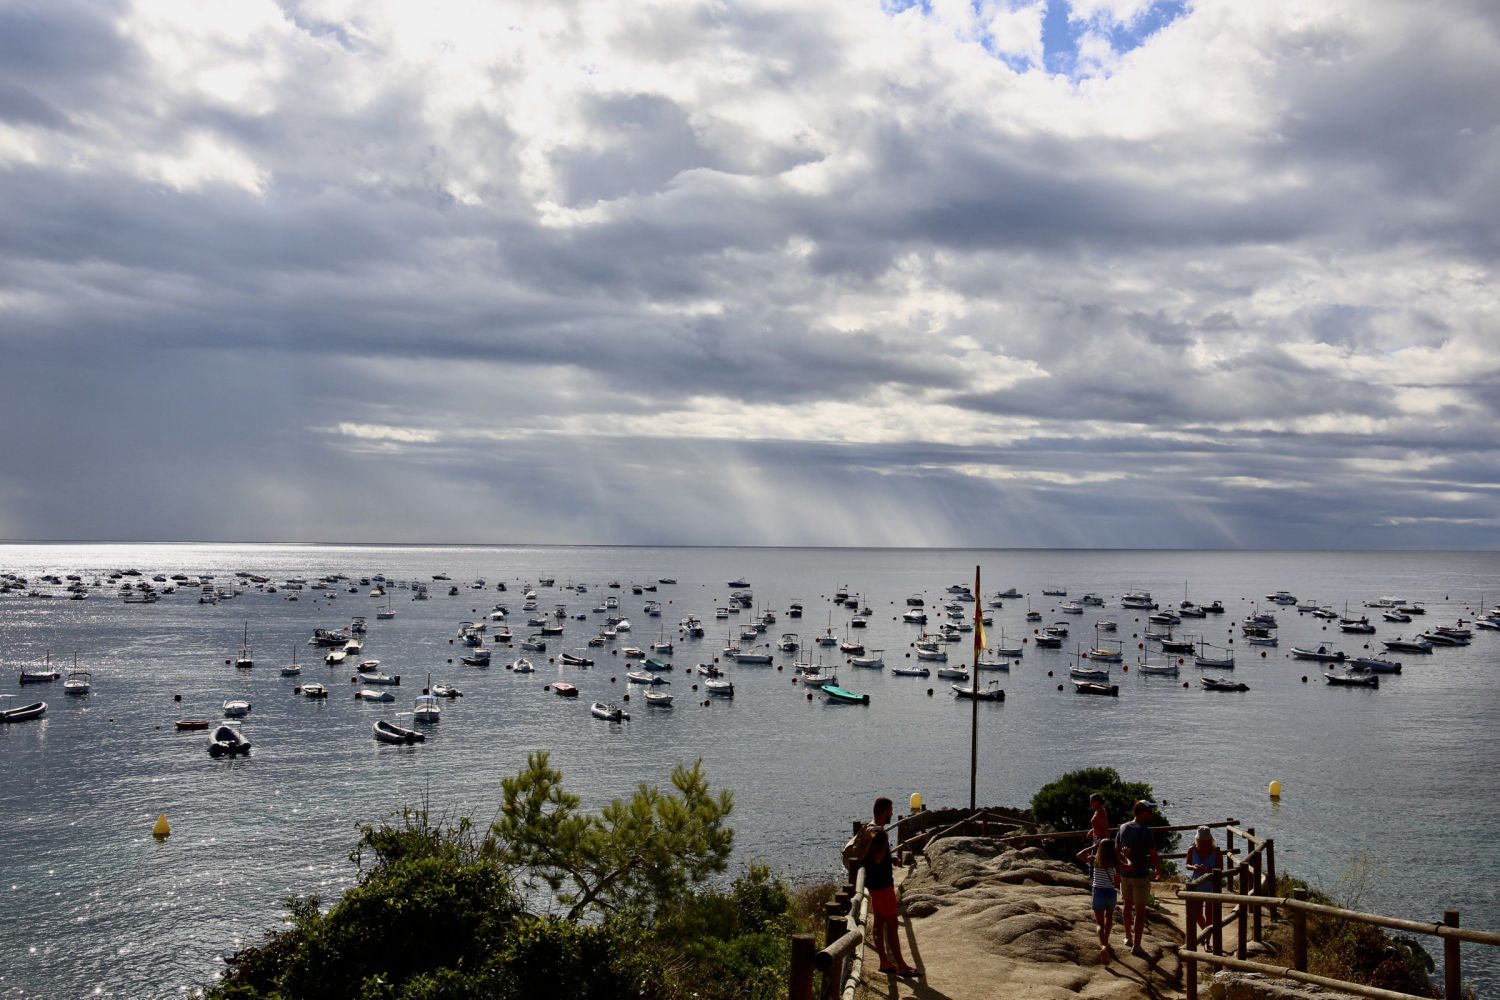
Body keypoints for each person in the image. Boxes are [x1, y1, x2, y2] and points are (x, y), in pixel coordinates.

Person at [863, 797, 917, 978]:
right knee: (892, 925)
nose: (891, 814)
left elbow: (875, 857)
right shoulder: (878, 833)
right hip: (882, 886)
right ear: (885, 811)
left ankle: (884, 962)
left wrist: (890, 858)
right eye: (890, 811)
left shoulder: (870, 828)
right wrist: (885, 839)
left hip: (873, 884)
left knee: (879, 923)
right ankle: (901, 965)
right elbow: (877, 859)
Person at [1114, 799, 1163, 957]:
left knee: (1127, 907)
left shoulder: (1123, 827)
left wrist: (1118, 869)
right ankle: (1137, 945)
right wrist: (1157, 871)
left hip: (1125, 875)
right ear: (1142, 813)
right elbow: (1153, 855)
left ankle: (1127, 937)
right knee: (1140, 912)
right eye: (1149, 811)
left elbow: (1116, 850)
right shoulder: (1146, 831)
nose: (1151, 814)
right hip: (1140, 875)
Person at [1076, 838, 1121, 964]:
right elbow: (1130, 866)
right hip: (1110, 892)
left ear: (1099, 848)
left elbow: (1079, 855)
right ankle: (1106, 940)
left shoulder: (1094, 859)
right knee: (1109, 916)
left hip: (1098, 892)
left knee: (1099, 923)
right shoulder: (1114, 861)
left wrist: (1092, 847)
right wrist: (1126, 856)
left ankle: (1103, 946)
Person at [1185, 827, 1223, 929]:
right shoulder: (1191, 849)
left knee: (1209, 914)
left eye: (1204, 840)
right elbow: (1187, 865)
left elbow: (1220, 868)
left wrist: (1208, 870)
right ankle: (1205, 933)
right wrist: (1194, 867)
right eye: (1201, 840)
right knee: (1197, 914)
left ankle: (1206, 940)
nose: (1202, 842)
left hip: (1212, 885)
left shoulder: (1216, 850)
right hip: (1197, 884)